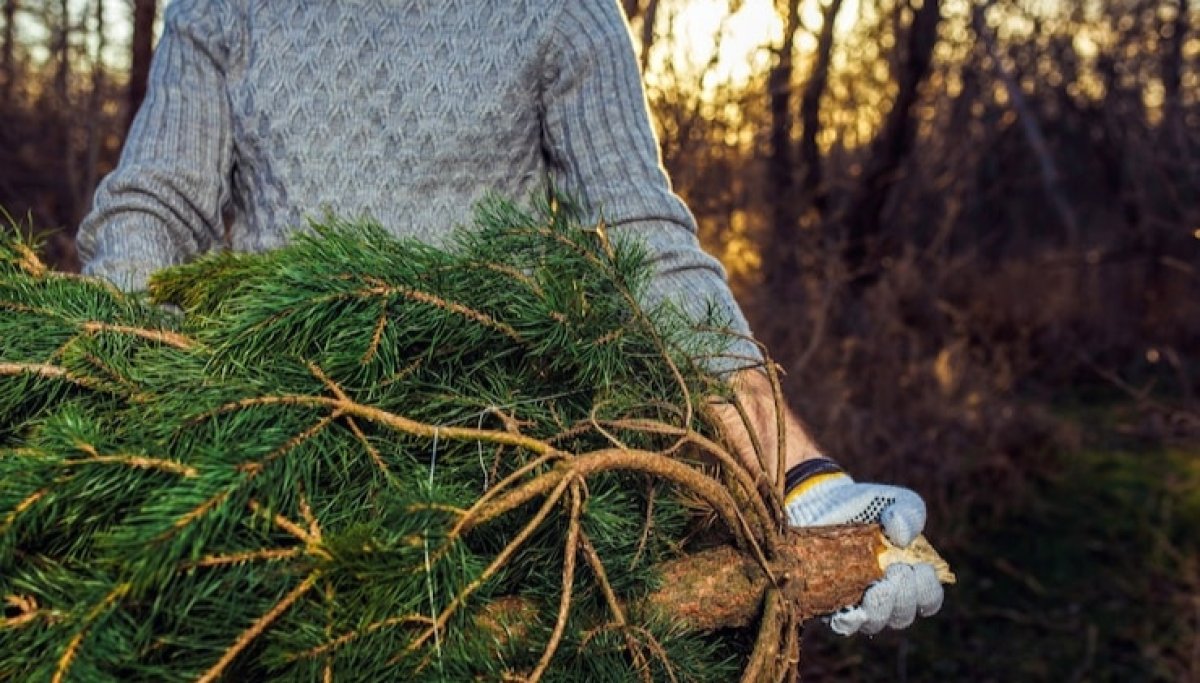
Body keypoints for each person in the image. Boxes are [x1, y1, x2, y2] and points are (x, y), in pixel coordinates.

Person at [77, 0, 942, 636]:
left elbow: (642, 235)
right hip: (275, 471)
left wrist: (801, 475)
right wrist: (137, 408)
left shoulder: (561, 11)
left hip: (506, 485)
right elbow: (150, 211)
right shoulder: (224, 7)